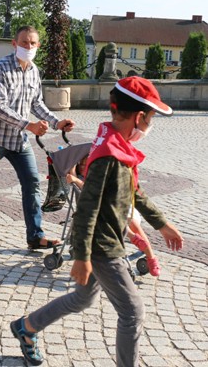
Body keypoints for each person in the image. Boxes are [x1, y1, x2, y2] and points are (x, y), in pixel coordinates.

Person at [10, 76, 184, 367]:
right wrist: (81, 256)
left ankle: (26, 327)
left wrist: (161, 224)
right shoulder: (108, 156)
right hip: (102, 246)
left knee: (82, 299)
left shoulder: (118, 146)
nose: (150, 125)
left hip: (105, 240)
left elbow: (134, 192)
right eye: (151, 118)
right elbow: (87, 208)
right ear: (139, 117)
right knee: (132, 312)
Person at [0, 25, 75, 251]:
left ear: (38, 45)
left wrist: (56, 122)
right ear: (14, 44)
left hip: (19, 140)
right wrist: (29, 125)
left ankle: (35, 236)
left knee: (32, 183)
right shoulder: (0, 68)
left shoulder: (34, 70)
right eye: (24, 42)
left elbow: (36, 103)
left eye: (33, 43)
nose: (29, 46)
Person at [66, 155, 161, 276]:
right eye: (81, 164)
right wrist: (74, 171)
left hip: (119, 209)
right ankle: (134, 238)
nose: (83, 167)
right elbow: (84, 186)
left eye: (86, 164)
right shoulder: (79, 178)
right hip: (104, 215)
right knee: (120, 220)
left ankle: (151, 256)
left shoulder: (98, 175)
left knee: (132, 222)